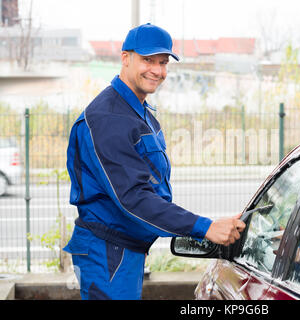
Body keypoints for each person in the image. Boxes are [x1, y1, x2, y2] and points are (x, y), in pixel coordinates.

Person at [63, 23, 246, 300]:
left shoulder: (138, 112)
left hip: (124, 251)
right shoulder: (108, 118)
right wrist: (205, 227)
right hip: (108, 253)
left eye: (163, 62)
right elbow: (134, 199)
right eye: (148, 60)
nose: (158, 70)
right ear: (126, 58)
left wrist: (207, 228)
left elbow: (151, 189)